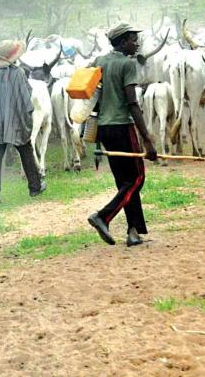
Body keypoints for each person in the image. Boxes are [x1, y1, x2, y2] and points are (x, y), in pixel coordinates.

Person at [87, 22, 158, 247]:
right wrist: (147, 140)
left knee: (124, 182)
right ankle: (103, 216)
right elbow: (132, 104)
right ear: (123, 41)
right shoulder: (128, 64)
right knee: (137, 178)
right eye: (133, 39)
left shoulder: (100, 61)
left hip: (105, 129)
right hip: (122, 127)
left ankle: (133, 231)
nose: (136, 43)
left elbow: (94, 96)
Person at [0, 39, 46, 204]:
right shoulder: (18, 73)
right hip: (15, 121)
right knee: (26, 151)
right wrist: (28, 114)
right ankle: (35, 187)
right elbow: (27, 97)